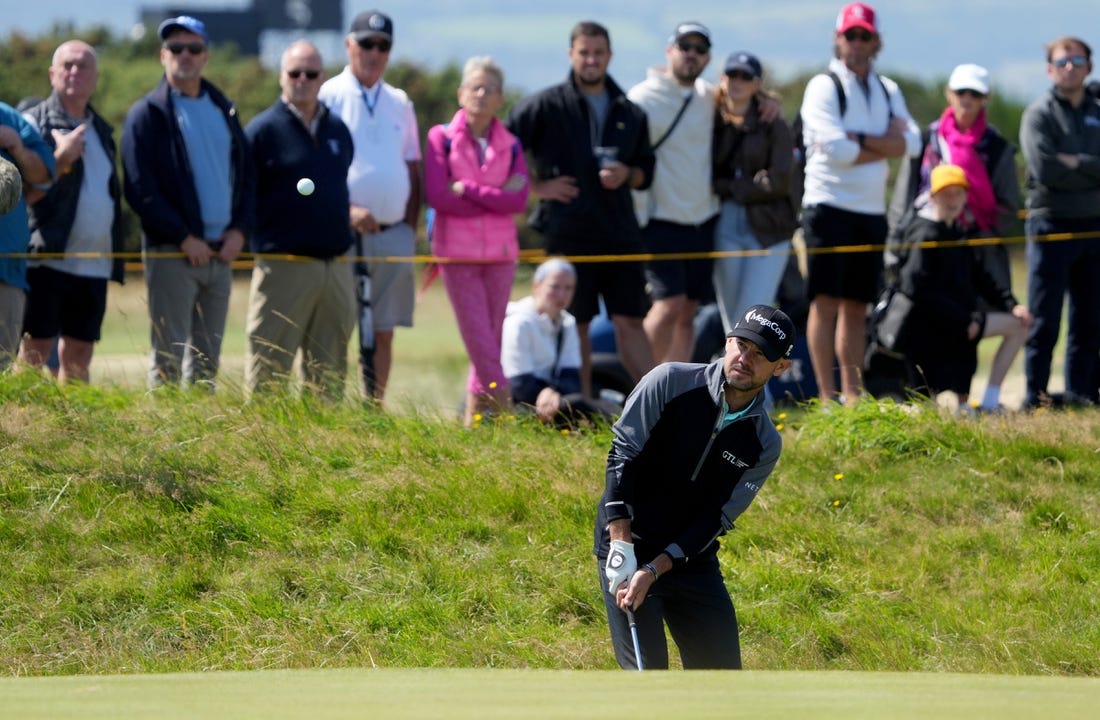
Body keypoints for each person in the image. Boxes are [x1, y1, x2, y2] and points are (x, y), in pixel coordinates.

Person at [595, 302, 794, 670]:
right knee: (647, 677)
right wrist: (622, 547)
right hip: (628, 543)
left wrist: (655, 569)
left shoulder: (764, 442)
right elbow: (622, 457)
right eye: (742, 345)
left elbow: (715, 519)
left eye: (761, 355)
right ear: (728, 339)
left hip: (689, 559)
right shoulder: (668, 381)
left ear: (781, 367)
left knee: (722, 686)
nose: (745, 359)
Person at [507, 21, 656, 398]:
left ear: (609, 56)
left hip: (620, 232)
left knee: (631, 321)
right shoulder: (544, 105)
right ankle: (583, 408)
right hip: (568, 232)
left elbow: (647, 172)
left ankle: (660, 408)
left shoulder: (629, 111)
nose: (591, 59)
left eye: (598, 53)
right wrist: (538, 187)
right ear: (571, 54)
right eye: (583, 52)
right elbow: (503, 148)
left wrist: (628, 173)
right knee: (578, 324)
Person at [122, 15, 254, 390]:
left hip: (221, 254)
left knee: (206, 366)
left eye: (193, 48)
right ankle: (163, 445)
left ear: (205, 56)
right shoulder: (146, 114)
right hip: (173, 253)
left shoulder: (223, 109)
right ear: (163, 55)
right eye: (176, 48)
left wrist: (240, 230)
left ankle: (200, 448)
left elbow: (246, 176)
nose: (185, 55)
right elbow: (139, 189)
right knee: (166, 361)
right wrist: (183, 237)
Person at [798, 2, 920, 404]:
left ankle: (852, 395)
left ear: (875, 41)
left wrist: (860, 141)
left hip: (869, 211)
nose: (856, 43)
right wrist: (884, 143)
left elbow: (914, 142)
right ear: (838, 39)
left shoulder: (888, 89)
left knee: (857, 307)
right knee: (825, 303)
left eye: (864, 35)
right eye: (850, 35)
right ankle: (825, 395)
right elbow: (835, 150)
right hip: (828, 207)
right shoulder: (823, 86)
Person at [887, 63, 1022, 410]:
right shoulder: (927, 139)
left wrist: (1007, 304)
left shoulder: (997, 148)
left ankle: (980, 400)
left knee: (970, 333)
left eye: (974, 94)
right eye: (961, 92)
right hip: (930, 284)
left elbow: (1008, 207)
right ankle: (924, 400)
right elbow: (918, 285)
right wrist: (895, 248)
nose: (967, 99)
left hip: (973, 256)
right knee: (939, 331)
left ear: (985, 99)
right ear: (950, 94)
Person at [319, 9, 421, 402]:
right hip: (342, 230)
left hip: (392, 232)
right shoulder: (328, 94)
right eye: (366, 44)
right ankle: (329, 405)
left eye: (382, 46)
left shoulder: (399, 101)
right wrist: (345, 211)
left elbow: (412, 166)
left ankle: (373, 408)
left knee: (383, 329)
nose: (374, 53)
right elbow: (319, 166)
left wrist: (409, 228)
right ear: (349, 45)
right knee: (337, 324)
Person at [243, 40, 356, 399]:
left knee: (329, 377)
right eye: (295, 72)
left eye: (311, 73)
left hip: (335, 266)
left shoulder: (337, 129)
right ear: (282, 77)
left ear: (323, 77)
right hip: (283, 266)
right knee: (269, 371)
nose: (303, 79)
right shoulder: (262, 131)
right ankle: (259, 450)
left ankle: (322, 446)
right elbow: (244, 196)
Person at [425, 56, 530, 426]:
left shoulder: (512, 144)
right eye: (475, 86)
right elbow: (438, 196)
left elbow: (518, 200)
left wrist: (468, 189)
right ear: (461, 93)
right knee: (481, 343)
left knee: (488, 343)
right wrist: (493, 199)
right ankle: (505, 413)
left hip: (501, 255)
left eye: (490, 88)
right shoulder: (441, 137)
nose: (482, 94)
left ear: (501, 98)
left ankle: (474, 425)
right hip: (456, 254)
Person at [18, 40, 125, 384]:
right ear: (52, 74)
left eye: (84, 66)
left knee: (80, 353)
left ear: (96, 78)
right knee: (35, 349)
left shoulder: (103, 130)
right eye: (67, 65)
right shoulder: (32, 123)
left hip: (94, 259)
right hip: (47, 256)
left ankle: (73, 428)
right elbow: (18, 196)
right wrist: (60, 161)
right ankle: (24, 424)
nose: (75, 72)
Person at [890, 165, 1031, 410]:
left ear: (966, 196)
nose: (953, 200)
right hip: (928, 332)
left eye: (958, 193)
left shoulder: (960, 231)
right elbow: (916, 291)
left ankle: (989, 402)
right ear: (932, 197)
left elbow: (982, 279)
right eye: (946, 193)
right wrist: (964, 320)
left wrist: (1012, 305)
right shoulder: (924, 233)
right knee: (925, 410)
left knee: (1020, 324)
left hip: (963, 326)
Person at [627, 22, 720, 364]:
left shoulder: (710, 97)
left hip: (702, 219)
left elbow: (746, 105)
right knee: (667, 306)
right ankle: (637, 390)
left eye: (699, 49)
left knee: (688, 312)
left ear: (707, 57)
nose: (691, 55)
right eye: (685, 47)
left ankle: (672, 392)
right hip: (658, 218)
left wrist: (767, 103)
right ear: (670, 52)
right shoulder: (641, 99)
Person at [1019, 36, 1100, 409]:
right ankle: (1035, 397)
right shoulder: (1039, 114)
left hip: (1094, 226)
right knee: (1044, 319)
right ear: (1050, 69)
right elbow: (1045, 168)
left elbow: (1065, 166)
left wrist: (1075, 162)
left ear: (1089, 67)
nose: (1071, 67)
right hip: (1051, 226)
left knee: (1088, 320)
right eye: (1063, 62)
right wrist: (1089, 167)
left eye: (1078, 61)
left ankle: (1081, 397)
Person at [712, 51, 799, 334]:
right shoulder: (710, 116)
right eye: (732, 75)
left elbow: (778, 181)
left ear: (757, 84)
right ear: (722, 79)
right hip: (726, 223)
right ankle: (733, 377)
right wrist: (750, 183)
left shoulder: (772, 122)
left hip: (768, 229)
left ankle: (751, 378)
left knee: (750, 320)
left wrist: (731, 186)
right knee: (731, 325)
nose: (737, 81)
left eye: (745, 76)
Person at [502, 258, 619, 427]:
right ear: (537, 286)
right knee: (580, 403)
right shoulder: (519, 322)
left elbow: (572, 378)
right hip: (520, 404)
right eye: (554, 287)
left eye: (568, 288)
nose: (561, 295)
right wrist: (548, 393)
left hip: (552, 399)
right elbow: (519, 384)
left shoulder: (567, 322)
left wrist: (553, 391)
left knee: (600, 398)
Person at [0, 102, 53, 371]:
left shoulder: (10, 118)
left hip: (7, 273)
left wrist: (16, 147)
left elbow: (45, 176)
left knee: (3, 372)